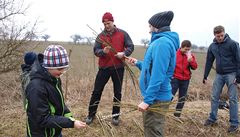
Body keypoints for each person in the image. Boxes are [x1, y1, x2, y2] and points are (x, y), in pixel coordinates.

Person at [127, 11, 179, 137]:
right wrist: (139, 63)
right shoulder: (160, 42)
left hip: (156, 98)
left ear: (157, 27)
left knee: (153, 132)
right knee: (151, 129)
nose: (149, 30)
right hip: (155, 96)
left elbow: (158, 75)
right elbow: (152, 66)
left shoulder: (162, 44)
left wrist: (148, 100)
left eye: (150, 26)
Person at [25, 45, 86, 137]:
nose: (62, 72)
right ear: (48, 66)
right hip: (41, 133)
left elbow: (58, 101)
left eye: (64, 68)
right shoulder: (36, 87)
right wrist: (70, 123)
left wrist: (68, 116)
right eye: (59, 69)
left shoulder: (54, 78)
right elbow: (42, 118)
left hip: (55, 130)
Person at [85, 12, 134, 126]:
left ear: (113, 22)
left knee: (117, 92)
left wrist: (124, 53)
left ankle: (115, 117)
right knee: (96, 92)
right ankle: (91, 115)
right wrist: (103, 52)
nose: (107, 25)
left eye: (108, 23)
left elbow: (130, 46)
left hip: (118, 68)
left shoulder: (122, 34)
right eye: (104, 23)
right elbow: (96, 50)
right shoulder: (101, 36)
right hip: (104, 68)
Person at [203, 25, 239, 133]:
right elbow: (209, 61)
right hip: (219, 75)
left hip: (232, 74)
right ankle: (212, 118)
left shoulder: (233, 44)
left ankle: (234, 123)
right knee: (214, 96)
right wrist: (205, 75)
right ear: (214, 35)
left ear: (224, 33)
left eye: (221, 35)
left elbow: (239, 60)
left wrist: (239, 77)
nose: (220, 38)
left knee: (232, 98)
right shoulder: (212, 46)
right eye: (218, 36)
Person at [171, 40, 198, 117]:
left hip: (186, 79)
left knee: (182, 98)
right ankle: (163, 112)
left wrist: (191, 61)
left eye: (188, 49)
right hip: (175, 78)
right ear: (181, 47)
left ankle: (177, 115)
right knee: (170, 96)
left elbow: (195, 67)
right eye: (185, 49)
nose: (187, 51)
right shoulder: (175, 54)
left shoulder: (190, 56)